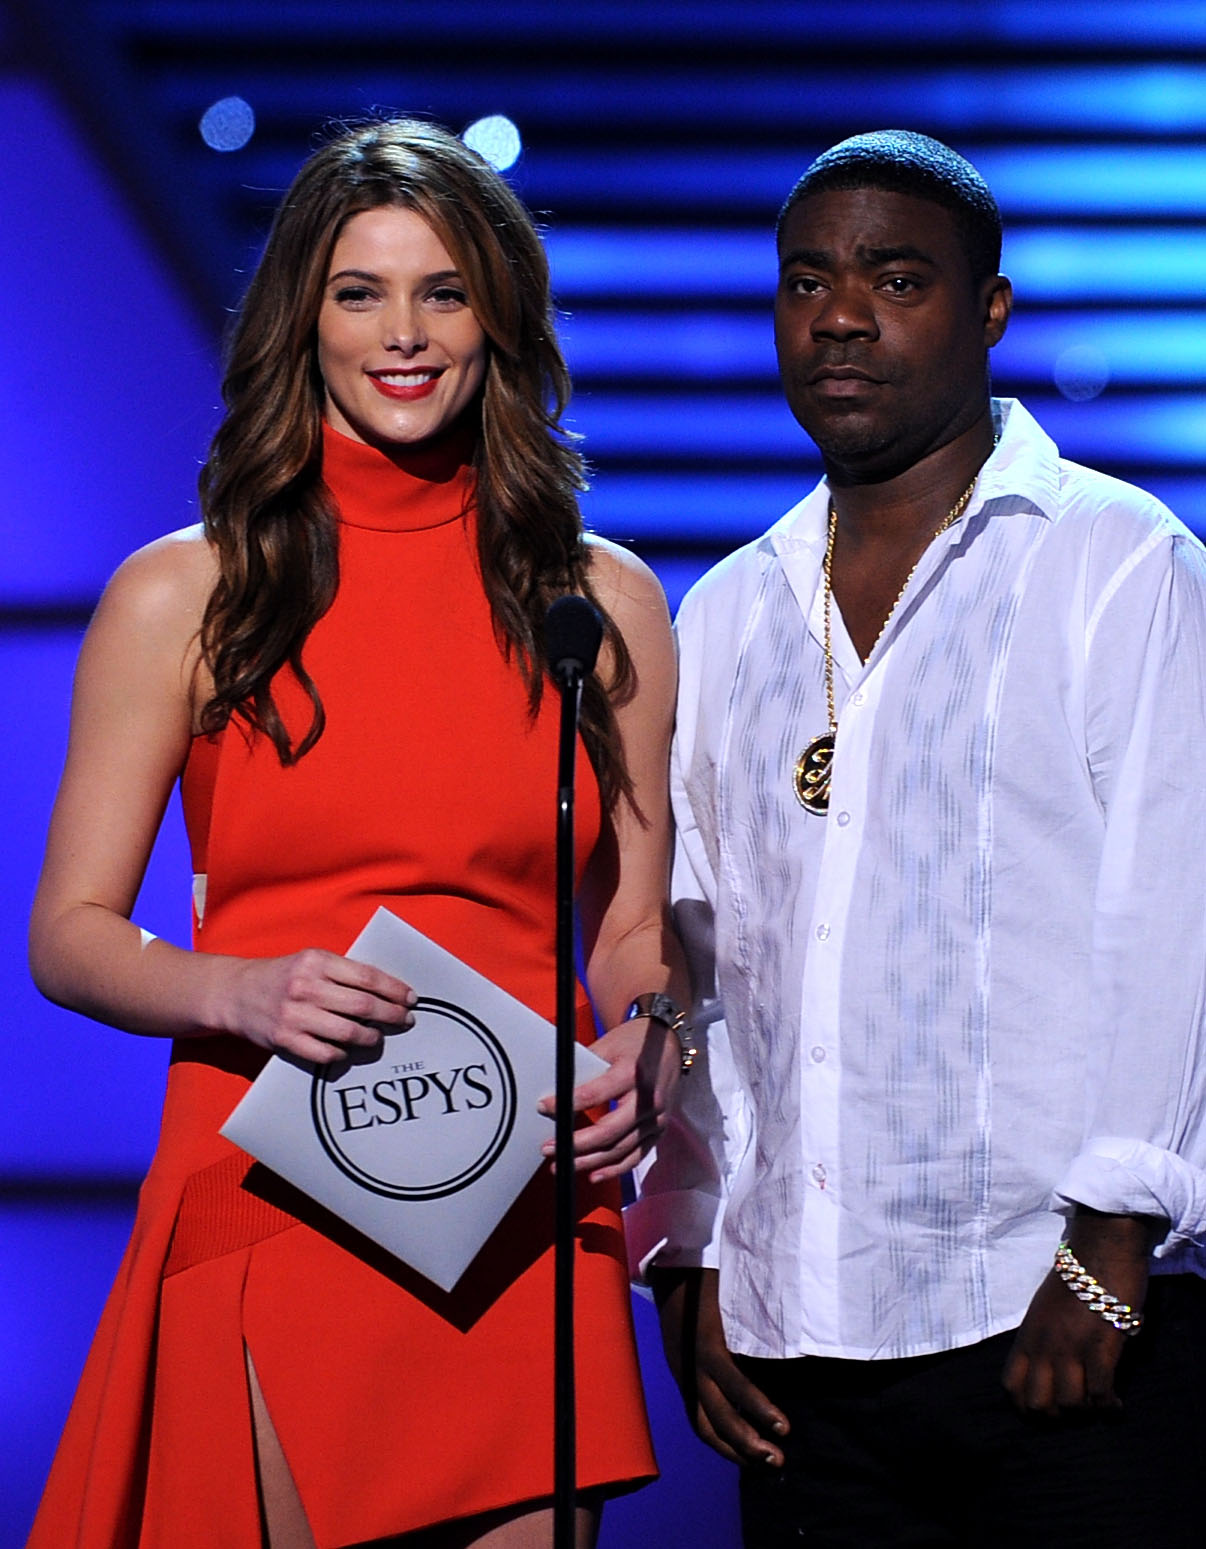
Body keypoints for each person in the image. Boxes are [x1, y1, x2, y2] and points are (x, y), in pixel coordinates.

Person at [28, 118, 691, 1549]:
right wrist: (234, 986)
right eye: (359, 291)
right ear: (301, 321)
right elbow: (68, 935)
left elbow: (634, 922)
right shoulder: (186, 594)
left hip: (512, 1200)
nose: (404, 333)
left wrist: (650, 1040)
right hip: (277, 1179)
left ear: (497, 316)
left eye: (443, 291)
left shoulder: (602, 601)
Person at [630, 129, 1206, 1546]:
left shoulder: (1116, 561)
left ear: (989, 310)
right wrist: (690, 1248)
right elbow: (703, 964)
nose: (839, 315)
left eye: (895, 278)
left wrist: (1112, 1243)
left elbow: (1174, 908)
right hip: (802, 1345)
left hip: (1061, 1316)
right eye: (806, 281)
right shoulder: (730, 609)